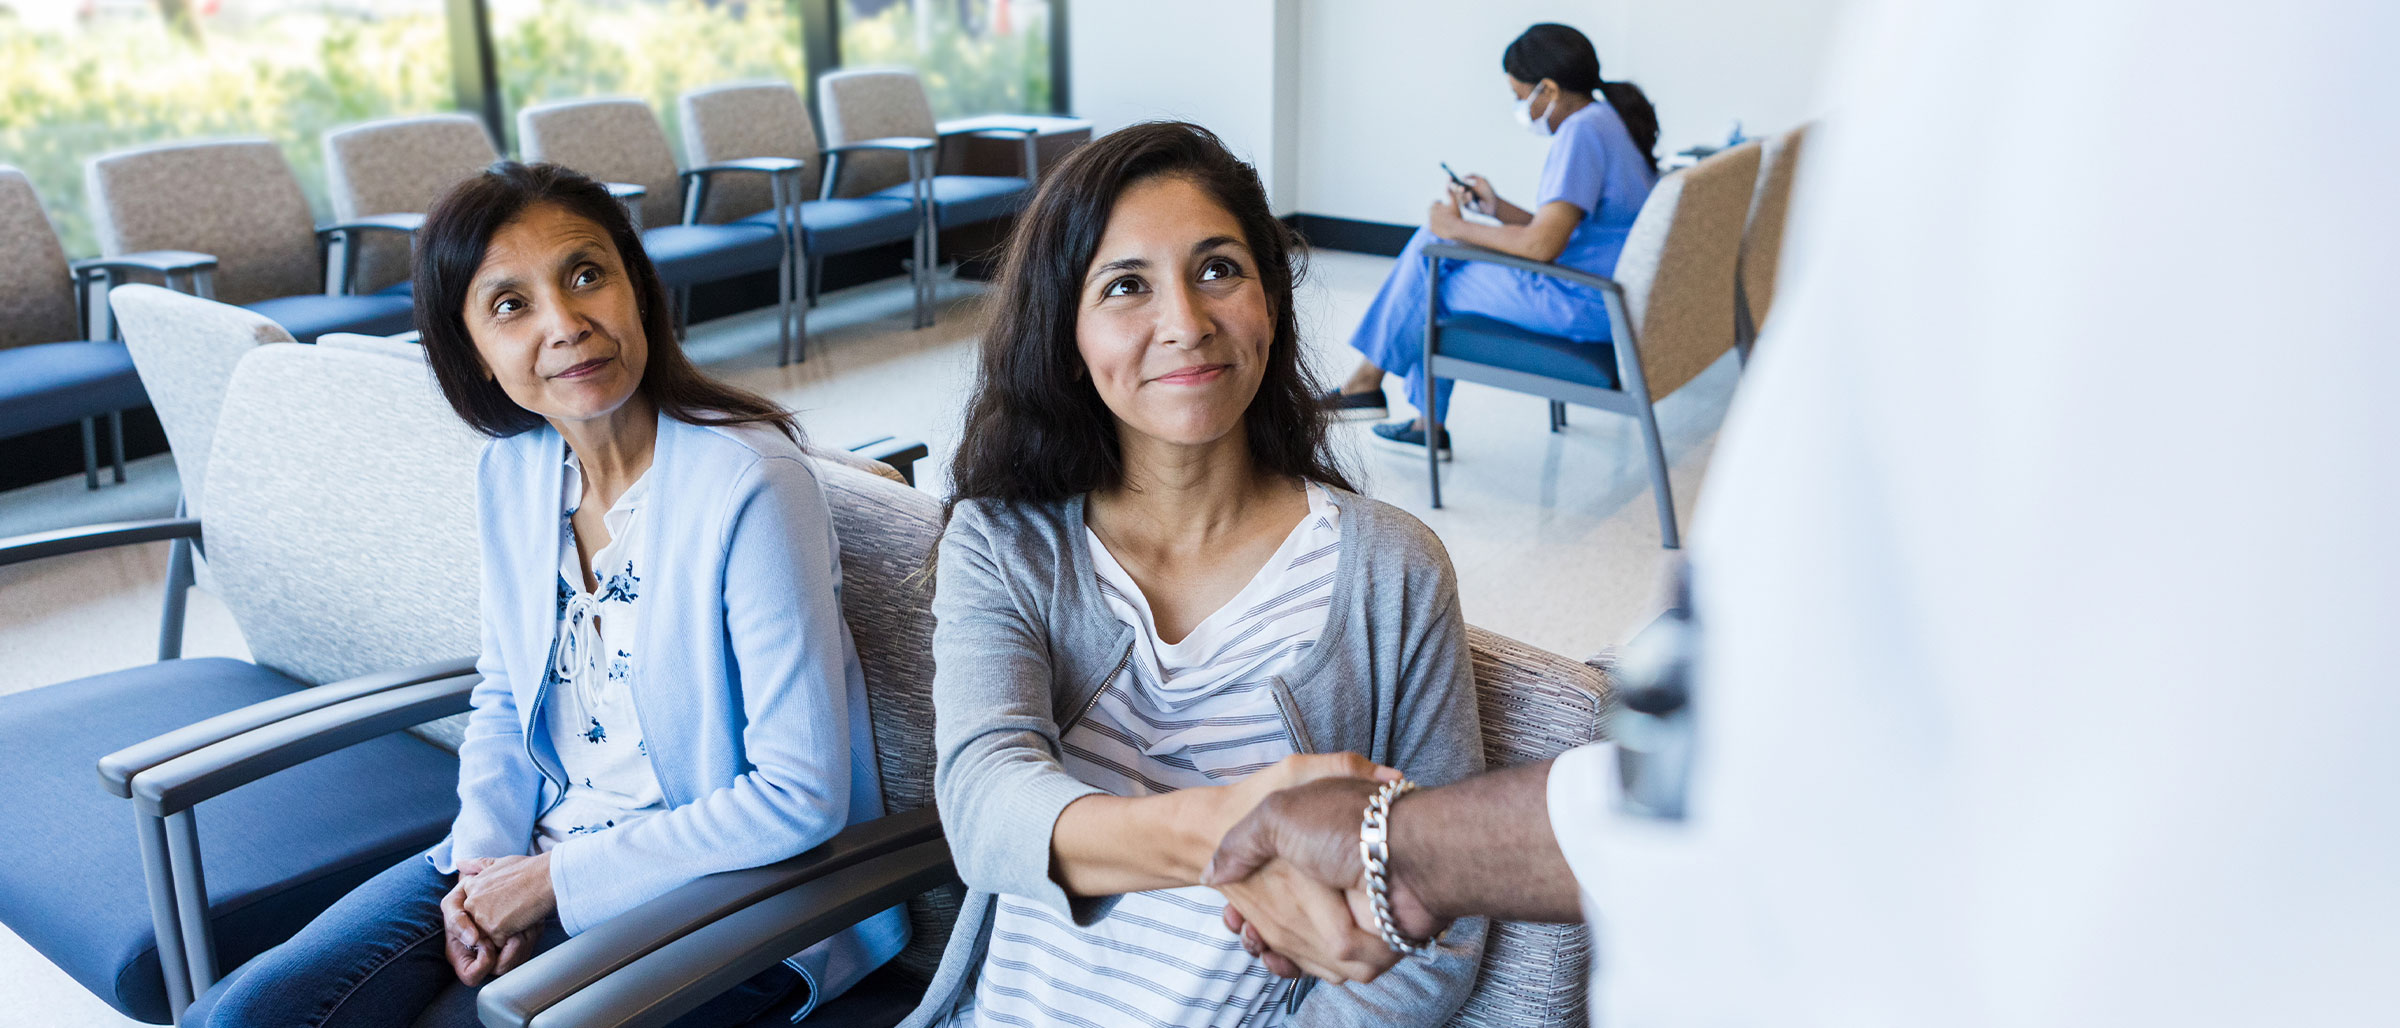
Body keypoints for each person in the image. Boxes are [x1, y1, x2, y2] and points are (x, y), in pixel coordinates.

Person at [1204, 1, 2399, 1023]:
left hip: (1585, 312)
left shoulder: (2199, 75)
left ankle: (1376, 386)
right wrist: (1404, 852)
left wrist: (1464, 222)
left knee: (1432, 249)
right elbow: (1801, 727)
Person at [189, 162, 906, 1027]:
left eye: (585, 275)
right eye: (510, 304)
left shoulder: (748, 481)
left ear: (636, 290)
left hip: (728, 893)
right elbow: (502, 692)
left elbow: (798, 797)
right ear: (474, 353)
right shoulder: (514, 471)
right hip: (535, 853)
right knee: (247, 1015)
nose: (566, 325)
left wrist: (550, 885)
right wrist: (486, 869)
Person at [904, 120, 1489, 1028]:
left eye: (1218, 268)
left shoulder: (1390, 569)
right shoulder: (1003, 542)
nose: (1185, 324)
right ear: (1066, 335)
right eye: (1126, 285)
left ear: (1271, 302)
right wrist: (1238, 827)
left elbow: (1437, 934)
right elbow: (986, 803)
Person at [1327, 22, 1659, 453]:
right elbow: (1563, 225)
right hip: (1602, 290)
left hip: (1585, 301)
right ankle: (1391, 402)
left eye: (1521, 98)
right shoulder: (1608, 119)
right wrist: (1495, 209)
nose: (1521, 108)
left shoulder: (1581, 133)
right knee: (1438, 254)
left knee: (1433, 270)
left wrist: (1454, 227)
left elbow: (1542, 246)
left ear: (1549, 89)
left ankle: (1381, 395)